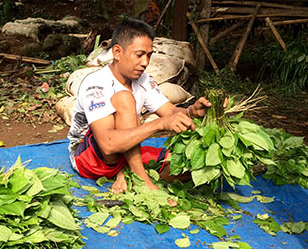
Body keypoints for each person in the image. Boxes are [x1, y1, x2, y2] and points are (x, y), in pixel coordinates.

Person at [67, 18, 211, 194]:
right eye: (139, 54)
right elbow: (107, 145)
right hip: (90, 156)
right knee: (125, 99)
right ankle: (143, 181)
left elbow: (170, 112)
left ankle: (126, 174)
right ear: (117, 52)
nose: (145, 62)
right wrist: (159, 124)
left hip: (125, 151)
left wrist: (192, 111)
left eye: (148, 55)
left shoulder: (143, 81)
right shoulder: (96, 83)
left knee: (187, 166)